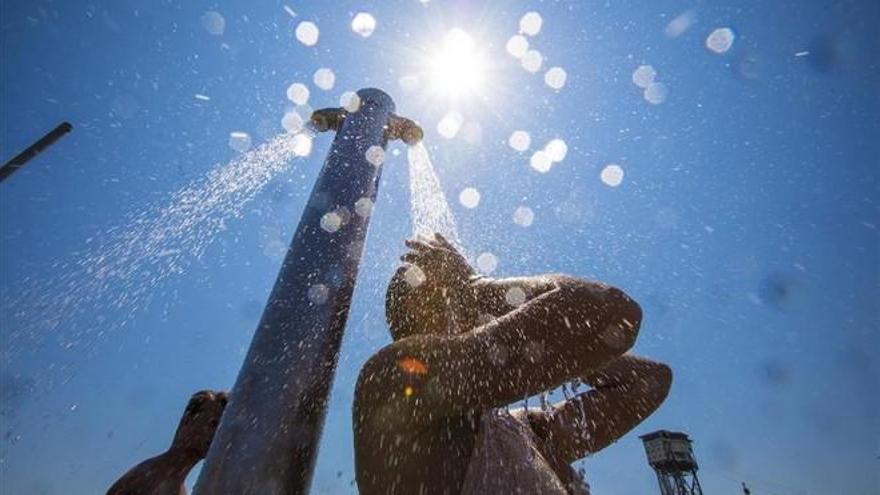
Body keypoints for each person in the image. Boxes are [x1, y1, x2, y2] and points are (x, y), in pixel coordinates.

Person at [354, 234, 672, 494]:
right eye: (450, 296)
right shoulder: (393, 379)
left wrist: (562, 349)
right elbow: (613, 311)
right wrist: (478, 285)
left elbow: (648, 382)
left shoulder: (526, 432)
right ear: (414, 312)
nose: (473, 313)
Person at [107, 390, 228, 495]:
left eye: (221, 429)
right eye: (213, 423)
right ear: (187, 419)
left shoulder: (175, 486)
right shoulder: (147, 477)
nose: (216, 434)